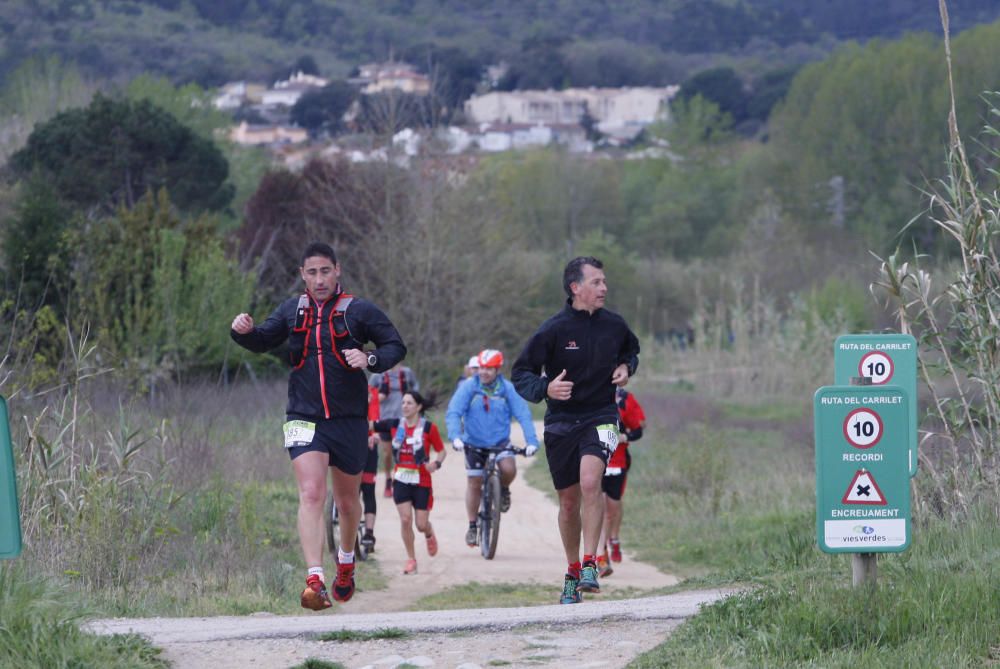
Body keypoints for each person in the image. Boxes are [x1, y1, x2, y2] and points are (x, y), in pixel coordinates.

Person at [230, 241, 406, 609]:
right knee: (311, 493)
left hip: (349, 421)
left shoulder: (358, 310)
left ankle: (345, 562)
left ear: (337, 270)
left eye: (325, 271)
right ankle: (315, 579)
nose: (319, 279)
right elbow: (263, 340)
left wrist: (369, 356)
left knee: (347, 501)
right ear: (302, 275)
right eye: (311, 272)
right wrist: (243, 332)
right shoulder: (292, 310)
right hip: (303, 417)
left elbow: (395, 346)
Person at [512, 256, 639, 605]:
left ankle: (590, 565)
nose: (604, 288)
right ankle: (571, 572)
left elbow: (632, 350)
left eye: (604, 281)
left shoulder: (615, 325)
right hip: (561, 422)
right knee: (569, 503)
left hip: (602, 416)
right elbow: (521, 374)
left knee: (590, 482)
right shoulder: (552, 330)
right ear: (575, 288)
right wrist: (545, 389)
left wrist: (627, 367)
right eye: (596, 282)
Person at [446, 349, 540, 547]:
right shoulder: (469, 387)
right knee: (474, 481)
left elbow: (523, 415)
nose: (484, 372)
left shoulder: (507, 389)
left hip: (499, 442)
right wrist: (455, 437)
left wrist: (531, 441)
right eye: (481, 367)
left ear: (498, 369)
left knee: (509, 469)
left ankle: (503, 489)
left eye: (489, 368)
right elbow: (454, 412)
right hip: (473, 443)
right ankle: (472, 525)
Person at [372, 391, 447, 574]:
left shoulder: (429, 428)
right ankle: (411, 559)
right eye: (403, 403)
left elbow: (441, 450)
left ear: (419, 407)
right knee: (405, 520)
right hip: (401, 480)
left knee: (421, 525)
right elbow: (370, 424)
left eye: (409, 403)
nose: (404, 406)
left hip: (422, 481)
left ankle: (429, 532)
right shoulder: (395, 424)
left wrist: (435, 463)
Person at [596, 386, 647, 577]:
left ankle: (613, 539)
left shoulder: (625, 400)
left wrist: (625, 436)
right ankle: (603, 552)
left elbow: (639, 428)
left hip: (618, 462)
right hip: (597, 460)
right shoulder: (591, 393)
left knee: (612, 509)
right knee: (598, 507)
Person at [371, 363, 420, 498]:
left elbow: (416, 386)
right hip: (385, 420)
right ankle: (388, 479)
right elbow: (370, 394)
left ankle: (405, 481)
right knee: (387, 453)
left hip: (403, 420)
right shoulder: (378, 374)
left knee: (403, 450)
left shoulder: (406, 372)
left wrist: (413, 400)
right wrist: (380, 396)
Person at [360, 384, 381, 552]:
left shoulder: (370, 391)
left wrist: (372, 433)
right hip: (344, 443)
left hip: (366, 443)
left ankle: (368, 533)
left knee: (367, 488)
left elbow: (373, 420)